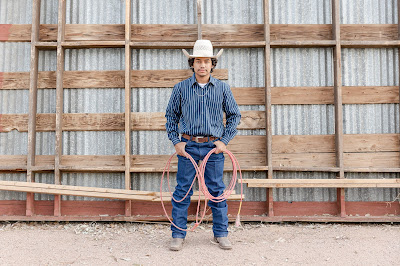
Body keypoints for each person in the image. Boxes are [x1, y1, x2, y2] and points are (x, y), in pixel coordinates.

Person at [165, 39, 241, 251]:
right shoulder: (181, 88)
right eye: (198, 61)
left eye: (206, 61)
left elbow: (235, 116)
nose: (202, 65)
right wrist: (176, 142)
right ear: (192, 63)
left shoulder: (222, 88)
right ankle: (178, 235)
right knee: (182, 190)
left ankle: (221, 233)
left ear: (212, 64)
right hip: (187, 146)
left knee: (216, 190)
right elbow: (171, 116)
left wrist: (224, 141)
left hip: (212, 146)